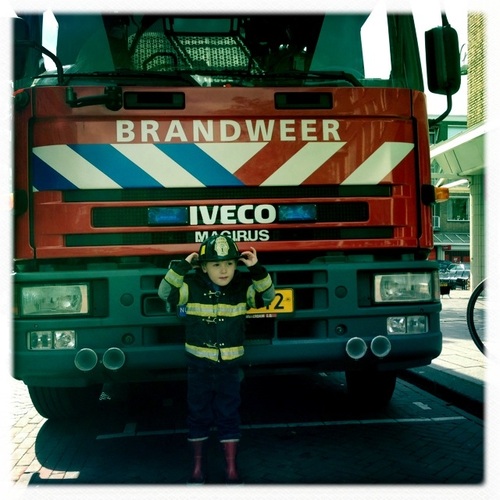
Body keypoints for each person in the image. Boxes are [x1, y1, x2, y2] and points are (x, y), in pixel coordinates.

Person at [158, 234, 275, 483]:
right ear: (203, 267)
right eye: (216, 264)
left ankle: (231, 469)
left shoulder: (243, 288)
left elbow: (267, 296)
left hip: (229, 368)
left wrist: (256, 268)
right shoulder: (190, 287)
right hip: (198, 366)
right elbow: (165, 292)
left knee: (229, 414)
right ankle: (197, 469)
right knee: (198, 414)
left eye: (230, 263)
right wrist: (183, 266)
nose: (224, 270)